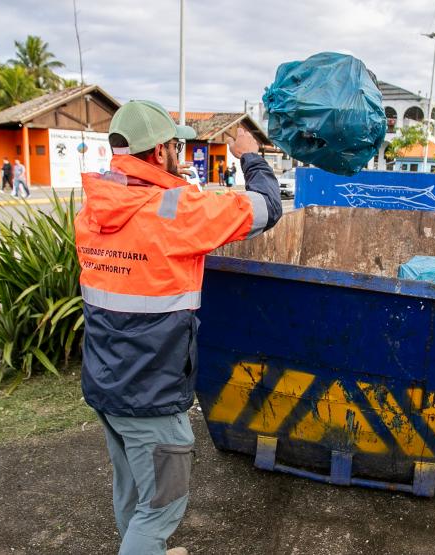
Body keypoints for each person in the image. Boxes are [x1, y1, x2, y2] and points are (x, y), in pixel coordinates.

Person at [75, 100, 282, 555]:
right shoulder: (177, 210)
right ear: (158, 152)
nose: (180, 153)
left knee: (131, 489)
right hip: (151, 394)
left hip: (106, 382)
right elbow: (268, 206)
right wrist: (250, 154)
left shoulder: (93, 209)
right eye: (175, 145)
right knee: (162, 507)